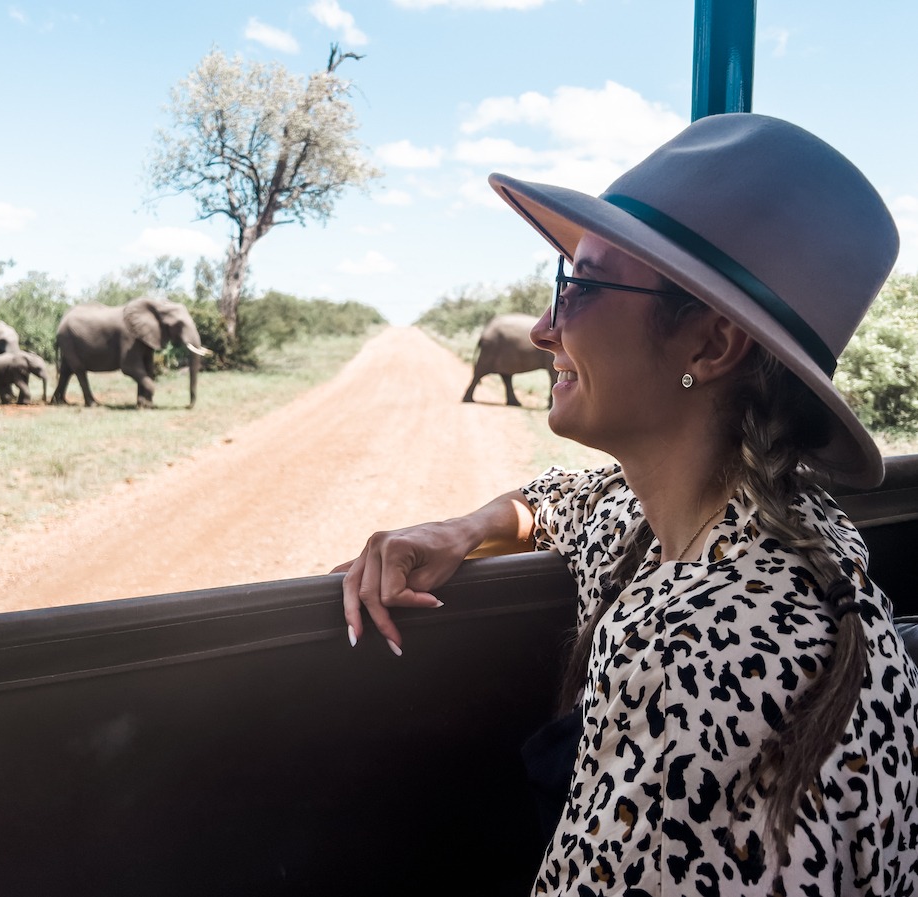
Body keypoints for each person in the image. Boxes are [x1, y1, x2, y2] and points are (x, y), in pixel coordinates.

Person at [338, 113, 918, 895]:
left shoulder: (699, 667)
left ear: (710, 347)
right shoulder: (739, 523)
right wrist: (467, 526)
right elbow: (577, 501)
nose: (544, 328)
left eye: (578, 286)